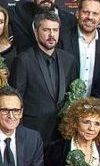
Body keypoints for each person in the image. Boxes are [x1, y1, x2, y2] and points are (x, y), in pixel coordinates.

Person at [11, 11, 75, 143]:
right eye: (46, 30)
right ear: (36, 32)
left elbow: (72, 95)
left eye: (55, 30)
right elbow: (15, 98)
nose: (52, 35)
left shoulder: (68, 60)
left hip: (61, 134)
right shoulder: (23, 60)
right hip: (32, 132)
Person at [58, 0, 100, 87]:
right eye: (86, 12)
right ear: (77, 14)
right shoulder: (62, 40)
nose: (90, 17)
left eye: (95, 14)